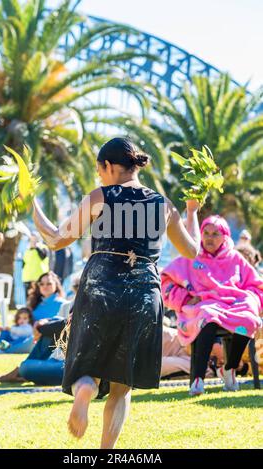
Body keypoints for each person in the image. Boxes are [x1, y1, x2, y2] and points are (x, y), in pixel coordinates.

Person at [32, 137, 200, 449]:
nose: (99, 177)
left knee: (88, 368)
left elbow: (56, 239)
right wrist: (192, 213)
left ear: (109, 166)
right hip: (144, 291)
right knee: (123, 385)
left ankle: (85, 389)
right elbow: (191, 250)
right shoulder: (162, 204)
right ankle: (106, 453)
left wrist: (32, 205)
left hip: (101, 287)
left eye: (100, 171)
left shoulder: (100, 197)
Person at [161, 215, 263, 396]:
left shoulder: (235, 258)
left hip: (233, 305)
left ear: (225, 236)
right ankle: (198, 379)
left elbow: (256, 285)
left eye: (215, 234)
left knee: (249, 319)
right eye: (206, 233)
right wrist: (183, 298)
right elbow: (166, 279)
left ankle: (229, 368)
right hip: (203, 306)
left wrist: (251, 299)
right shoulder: (192, 256)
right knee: (209, 316)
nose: (209, 237)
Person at [22, 232, 50, 298]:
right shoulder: (27, 250)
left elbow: (43, 256)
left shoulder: (43, 247)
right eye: (31, 240)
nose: (33, 241)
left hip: (39, 278)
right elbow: (24, 264)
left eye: (35, 239)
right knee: (29, 298)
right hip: (28, 279)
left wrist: (36, 247)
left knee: (39, 297)